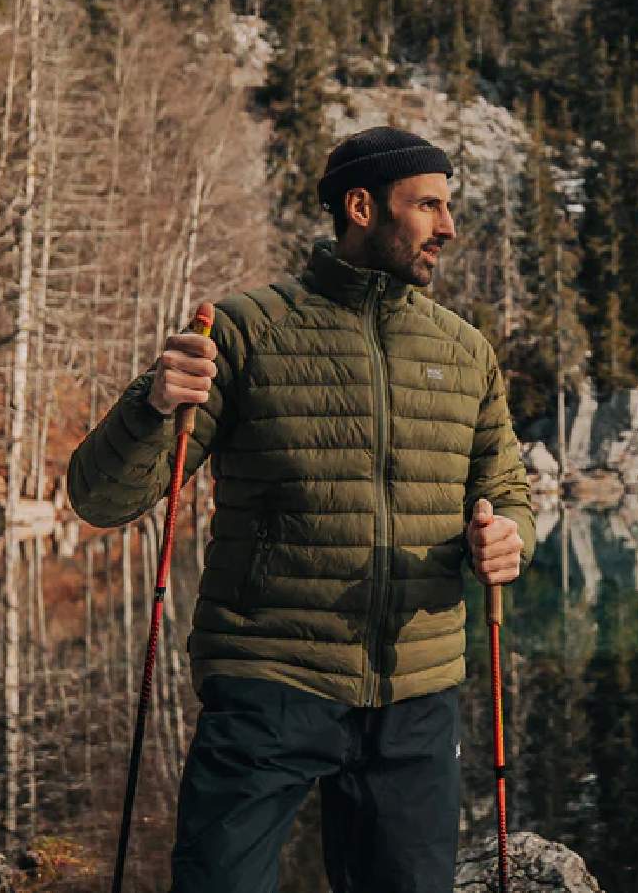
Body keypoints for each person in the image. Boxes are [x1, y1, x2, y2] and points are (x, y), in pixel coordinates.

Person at [68, 126, 535, 893]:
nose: (448, 228)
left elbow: (506, 487)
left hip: (416, 700)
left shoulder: (465, 351)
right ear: (361, 206)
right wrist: (152, 404)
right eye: (429, 206)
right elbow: (101, 497)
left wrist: (511, 532)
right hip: (267, 687)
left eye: (448, 207)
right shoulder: (248, 333)